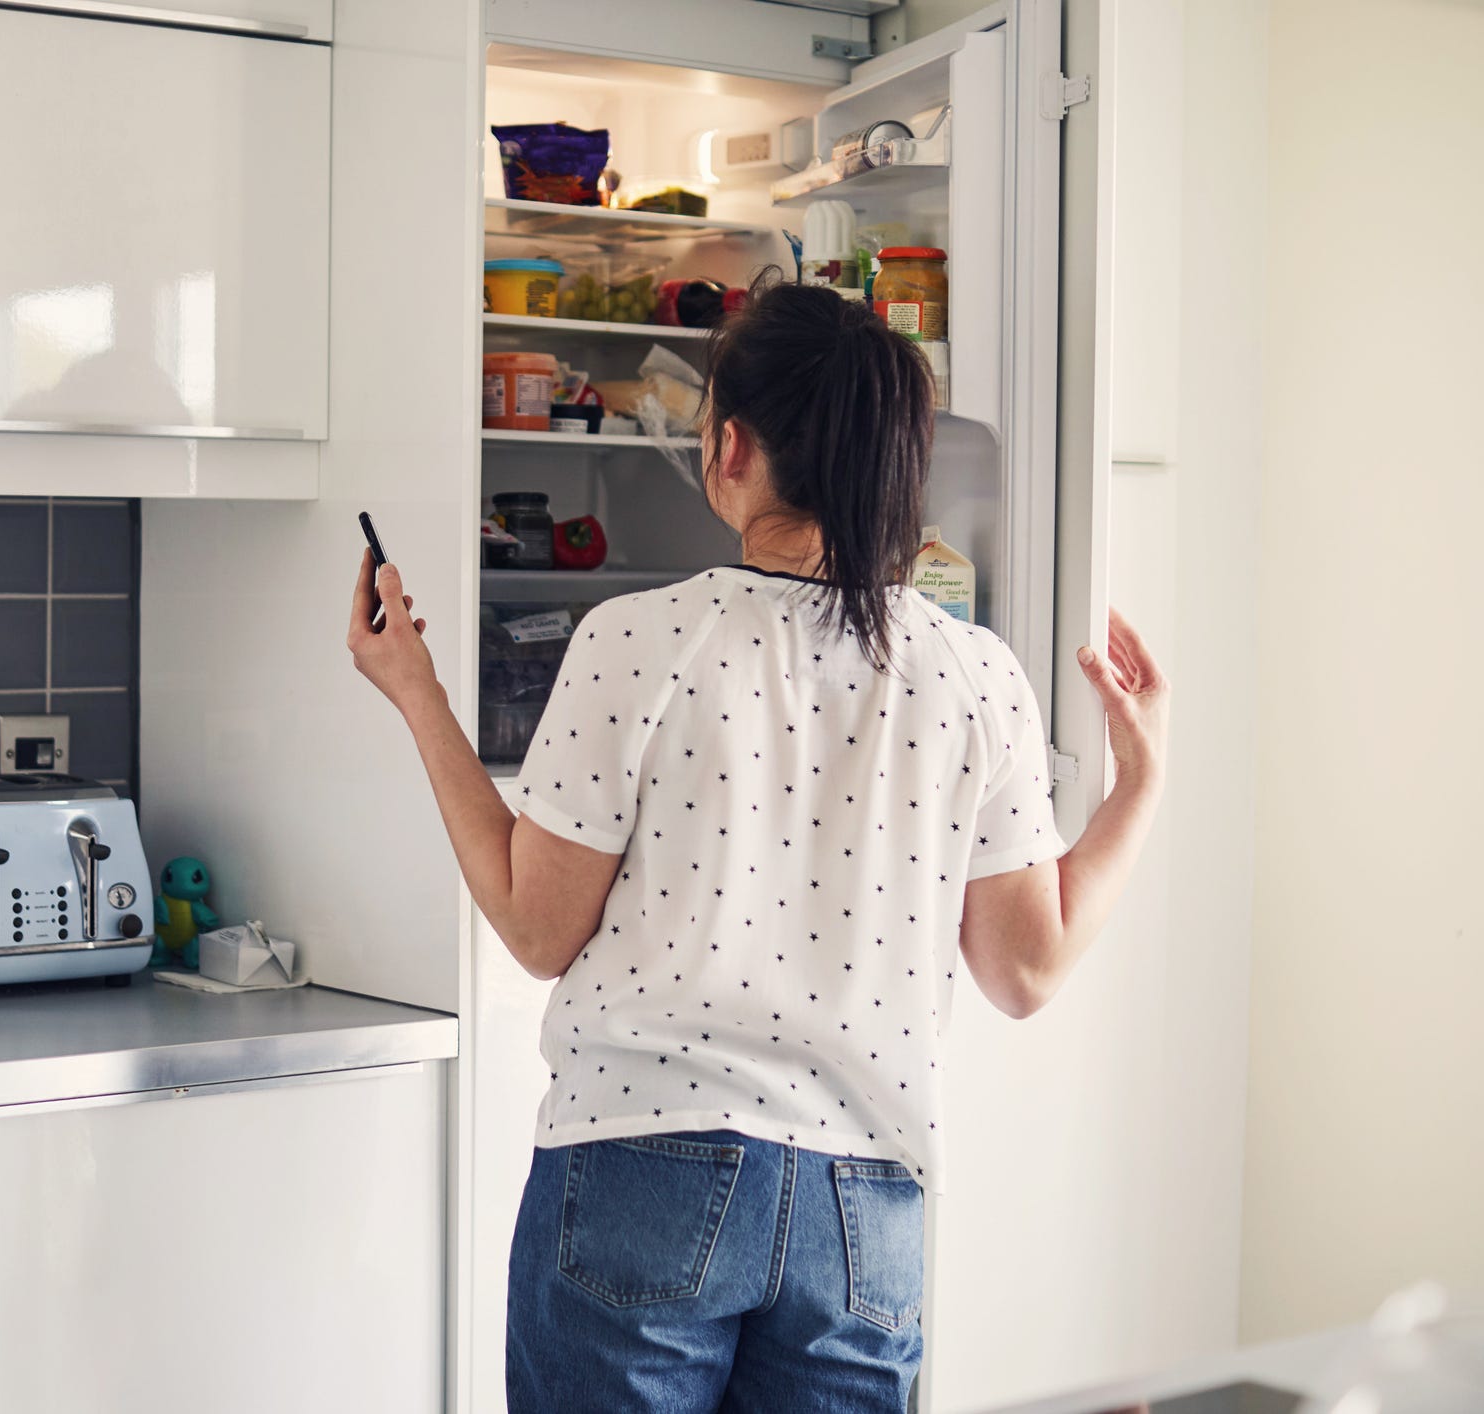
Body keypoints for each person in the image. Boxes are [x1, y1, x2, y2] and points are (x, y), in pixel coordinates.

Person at [346, 280, 1169, 1413]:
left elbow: (539, 927)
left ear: (731, 446)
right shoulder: (979, 675)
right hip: (864, 1217)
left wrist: (418, 692)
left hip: (641, 1169)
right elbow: (1025, 971)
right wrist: (1141, 787)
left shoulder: (637, 640)